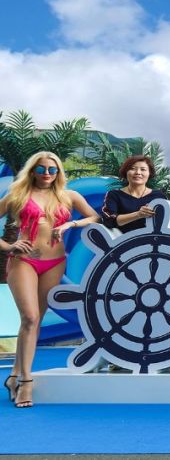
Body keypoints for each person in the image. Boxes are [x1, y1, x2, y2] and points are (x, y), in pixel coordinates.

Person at [1, 152, 99, 408]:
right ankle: (26, 381)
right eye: (41, 169)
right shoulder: (17, 195)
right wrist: (9, 246)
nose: (47, 174)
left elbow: (94, 217)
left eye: (52, 170)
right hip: (24, 261)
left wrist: (70, 225)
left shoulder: (69, 196)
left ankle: (14, 376)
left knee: (35, 321)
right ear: (32, 170)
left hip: (55, 263)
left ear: (58, 172)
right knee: (30, 317)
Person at [100, 155, 167, 234]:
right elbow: (109, 221)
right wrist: (138, 214)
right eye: (132, 169)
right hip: (122, 240)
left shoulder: (159, 196)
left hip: (153, 240)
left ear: (149, 173)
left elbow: (167, 221)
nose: (138, 172)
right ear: (126, 172)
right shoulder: (114, 195)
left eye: (143, 169)